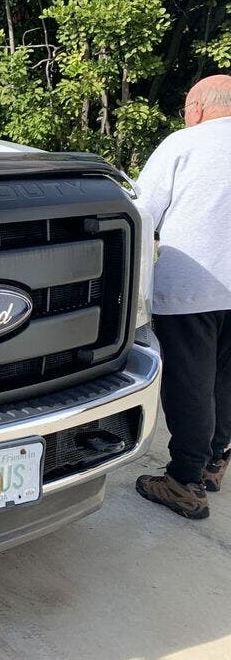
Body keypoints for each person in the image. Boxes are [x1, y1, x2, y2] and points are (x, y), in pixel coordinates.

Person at [135, 75, 231, 520]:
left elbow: (142, 209)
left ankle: (185, 481)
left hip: (193, 284)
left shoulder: (184, 143)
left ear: (196, 108)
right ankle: (215, 462)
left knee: (190, 382)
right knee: (225, 378)